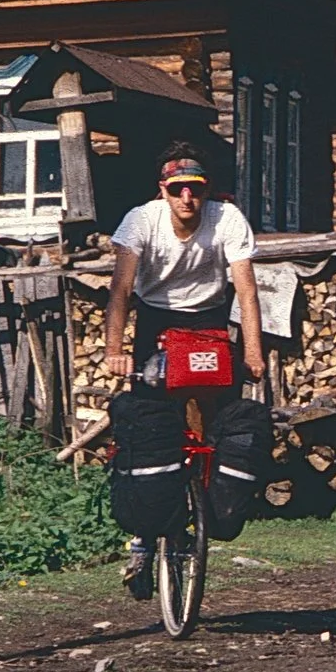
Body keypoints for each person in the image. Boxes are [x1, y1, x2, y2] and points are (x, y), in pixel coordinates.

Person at [102, 143, 266, 597]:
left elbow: (247, 292)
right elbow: (121, 289)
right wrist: (115, 351)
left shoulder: (227, 219)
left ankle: (207, 505)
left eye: (194, 189)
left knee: (223, 421)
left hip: (211, 320)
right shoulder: (141, 220)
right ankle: (141, 538)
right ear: (163, 191)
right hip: (156, 317)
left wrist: (252, 351)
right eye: (177, 190)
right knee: (151, 419)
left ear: (205, 190)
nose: (186, 199)